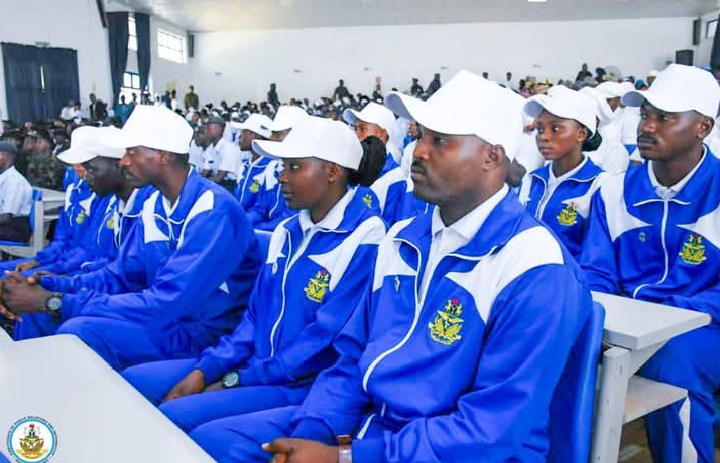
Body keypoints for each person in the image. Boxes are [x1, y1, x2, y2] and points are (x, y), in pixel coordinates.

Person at [191, 69, 593, 463]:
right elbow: (352, 357)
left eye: (440, 141)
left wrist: (345, 457)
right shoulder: (402, 239)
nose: (419, 151)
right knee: (213, 442)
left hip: (448, 451)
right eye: (421, 136)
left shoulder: (535, 267)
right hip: (372, 429)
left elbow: (489, 431)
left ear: (492, 157)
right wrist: (311, 432)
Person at [120, 116, 386, 441]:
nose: (282, 177)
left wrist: (236, 380)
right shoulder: (287, 231)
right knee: (137, 383)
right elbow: (254, 318)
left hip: (302, 384)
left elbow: (320, 342)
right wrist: (208, 369)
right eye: (283, 167)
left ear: (332, 172)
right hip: (257, 368)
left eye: (294, 167)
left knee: (180, 420)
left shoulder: (365, 236)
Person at [0, 106, 261, 371]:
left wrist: (55, 301)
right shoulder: (155, 205)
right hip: (169, 320)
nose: (123, 161)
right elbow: (120, 276)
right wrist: (50, 284)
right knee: (46, 314)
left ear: (162, 155)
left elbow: (166, 302)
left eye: (131, 152)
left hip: (204, 332)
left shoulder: (213, 210)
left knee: (81, 330)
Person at [580, 64, 720, 463]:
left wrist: (666, 317)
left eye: (665, 117)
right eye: (645, 114)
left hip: (706, 325)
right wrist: (601, 319)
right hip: (630, 322)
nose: (647, 126)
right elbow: (596, 271)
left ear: (703, 127)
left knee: (675, 363)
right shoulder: (613, 190)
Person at [518, 86, 607, 258]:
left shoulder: (598, 185)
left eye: (556, 129)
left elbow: (596, 255)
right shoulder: (532, 180)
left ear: (581, 134)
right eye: (540, 129)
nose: (544, 137)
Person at [244, 106, 307, 231]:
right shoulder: (273, 167)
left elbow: (292, 218)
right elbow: (260, 208)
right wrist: (241, 222)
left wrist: (257, 230)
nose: (271, 138)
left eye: (277, 134)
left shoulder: (306, 172)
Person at [342, 102, 399, 176]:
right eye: (355, 129)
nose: (356, 135)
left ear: (382, 134)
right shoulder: (351, 167)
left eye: (362, 129)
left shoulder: (393, 177)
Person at [231, 114, 274, 211]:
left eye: (243, 132)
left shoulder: (270, 167)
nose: (240, 136)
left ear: (253, 135)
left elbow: (263, 209)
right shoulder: (245, 166)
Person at [0, 141, 32, 242]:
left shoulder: (14, 181)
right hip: (6, 224)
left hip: (15, 227)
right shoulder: (5, 176)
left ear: (7, 156)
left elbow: (7, 217)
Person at [201, 116, 242, 190]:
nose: (205, 132)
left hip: (230, 185)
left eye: (208, 129)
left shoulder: (228, 149)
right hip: (217, 182)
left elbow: (219, 178)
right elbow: (205, 172)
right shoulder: (210, 148)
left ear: (218, 130)